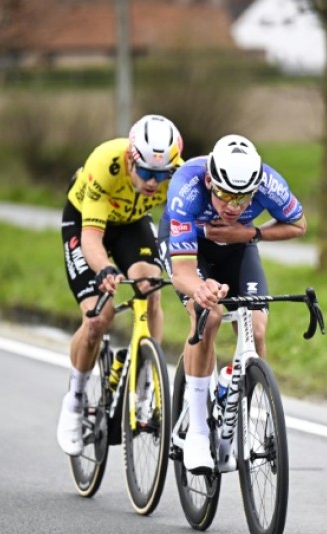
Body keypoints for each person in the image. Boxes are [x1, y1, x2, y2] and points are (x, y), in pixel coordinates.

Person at [158, 134, 307, 473]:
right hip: (188, 245)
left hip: (237, 245)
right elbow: (182, 271)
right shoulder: (187, 188)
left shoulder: (269, 182)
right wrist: (202, 289)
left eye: (243, 198)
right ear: (210, 181)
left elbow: (299, 224)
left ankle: (235, 392)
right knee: (208, 317)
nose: (233, 207)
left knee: (256, 326)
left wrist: (250, 233)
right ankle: (196, 431)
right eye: (224, 195)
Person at [57, 114, 184, 456]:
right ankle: (76, 399)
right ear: (130, 160)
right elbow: (92, 240)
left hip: (131, 223)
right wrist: (105, 270)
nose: (154, 183)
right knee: (99, 317)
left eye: (163, 175)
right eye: (145, 172)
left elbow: (184, 230)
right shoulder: (105, 164)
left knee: (152, 286)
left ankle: (147, 380)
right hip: (86, 222)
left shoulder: (178, 177)